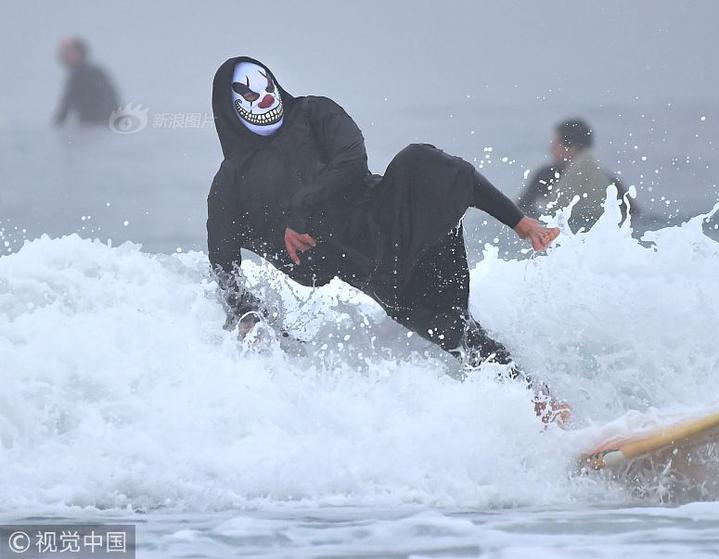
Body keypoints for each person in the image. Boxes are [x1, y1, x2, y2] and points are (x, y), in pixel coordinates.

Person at [207, 57, 568, 424]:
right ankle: (541, 408)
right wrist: (247, 315)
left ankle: (521, 223)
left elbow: (352, 159)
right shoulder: (231, 185)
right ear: (230, 108)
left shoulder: (313, 112)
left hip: (396, 216)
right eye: (248, 93)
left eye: (266, 86)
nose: (264, 98)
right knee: (455, 330)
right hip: (375, 272)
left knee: (419, 160)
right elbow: (222, 261)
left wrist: (300, 209)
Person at [518, 119, 635, 233]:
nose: (551, 148)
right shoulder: (608, 181)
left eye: (556, 143)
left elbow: (521, 210)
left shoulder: (547, 175)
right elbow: (634, 215)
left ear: (573, 148)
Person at [53, 37, 120, 127]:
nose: (62, 56)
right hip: (106, 123)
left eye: (66, 52)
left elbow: (66, 107)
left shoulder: (81, 76)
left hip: (97, 125)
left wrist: (56, 125)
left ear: (78, 53)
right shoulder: (95, 71)